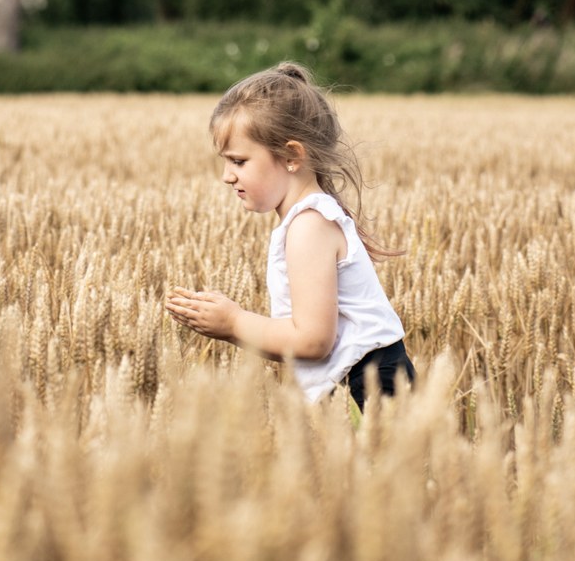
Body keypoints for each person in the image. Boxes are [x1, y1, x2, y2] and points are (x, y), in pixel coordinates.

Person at [164, 62, 415, 410]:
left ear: (292, 156)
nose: (226, 176)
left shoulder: (309, 226)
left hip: (368, 385)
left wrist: (235, 323)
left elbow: (313, 342)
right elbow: (301, 343)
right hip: (359, 381)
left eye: (238, 161)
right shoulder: (309, 219)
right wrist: (230, 327)